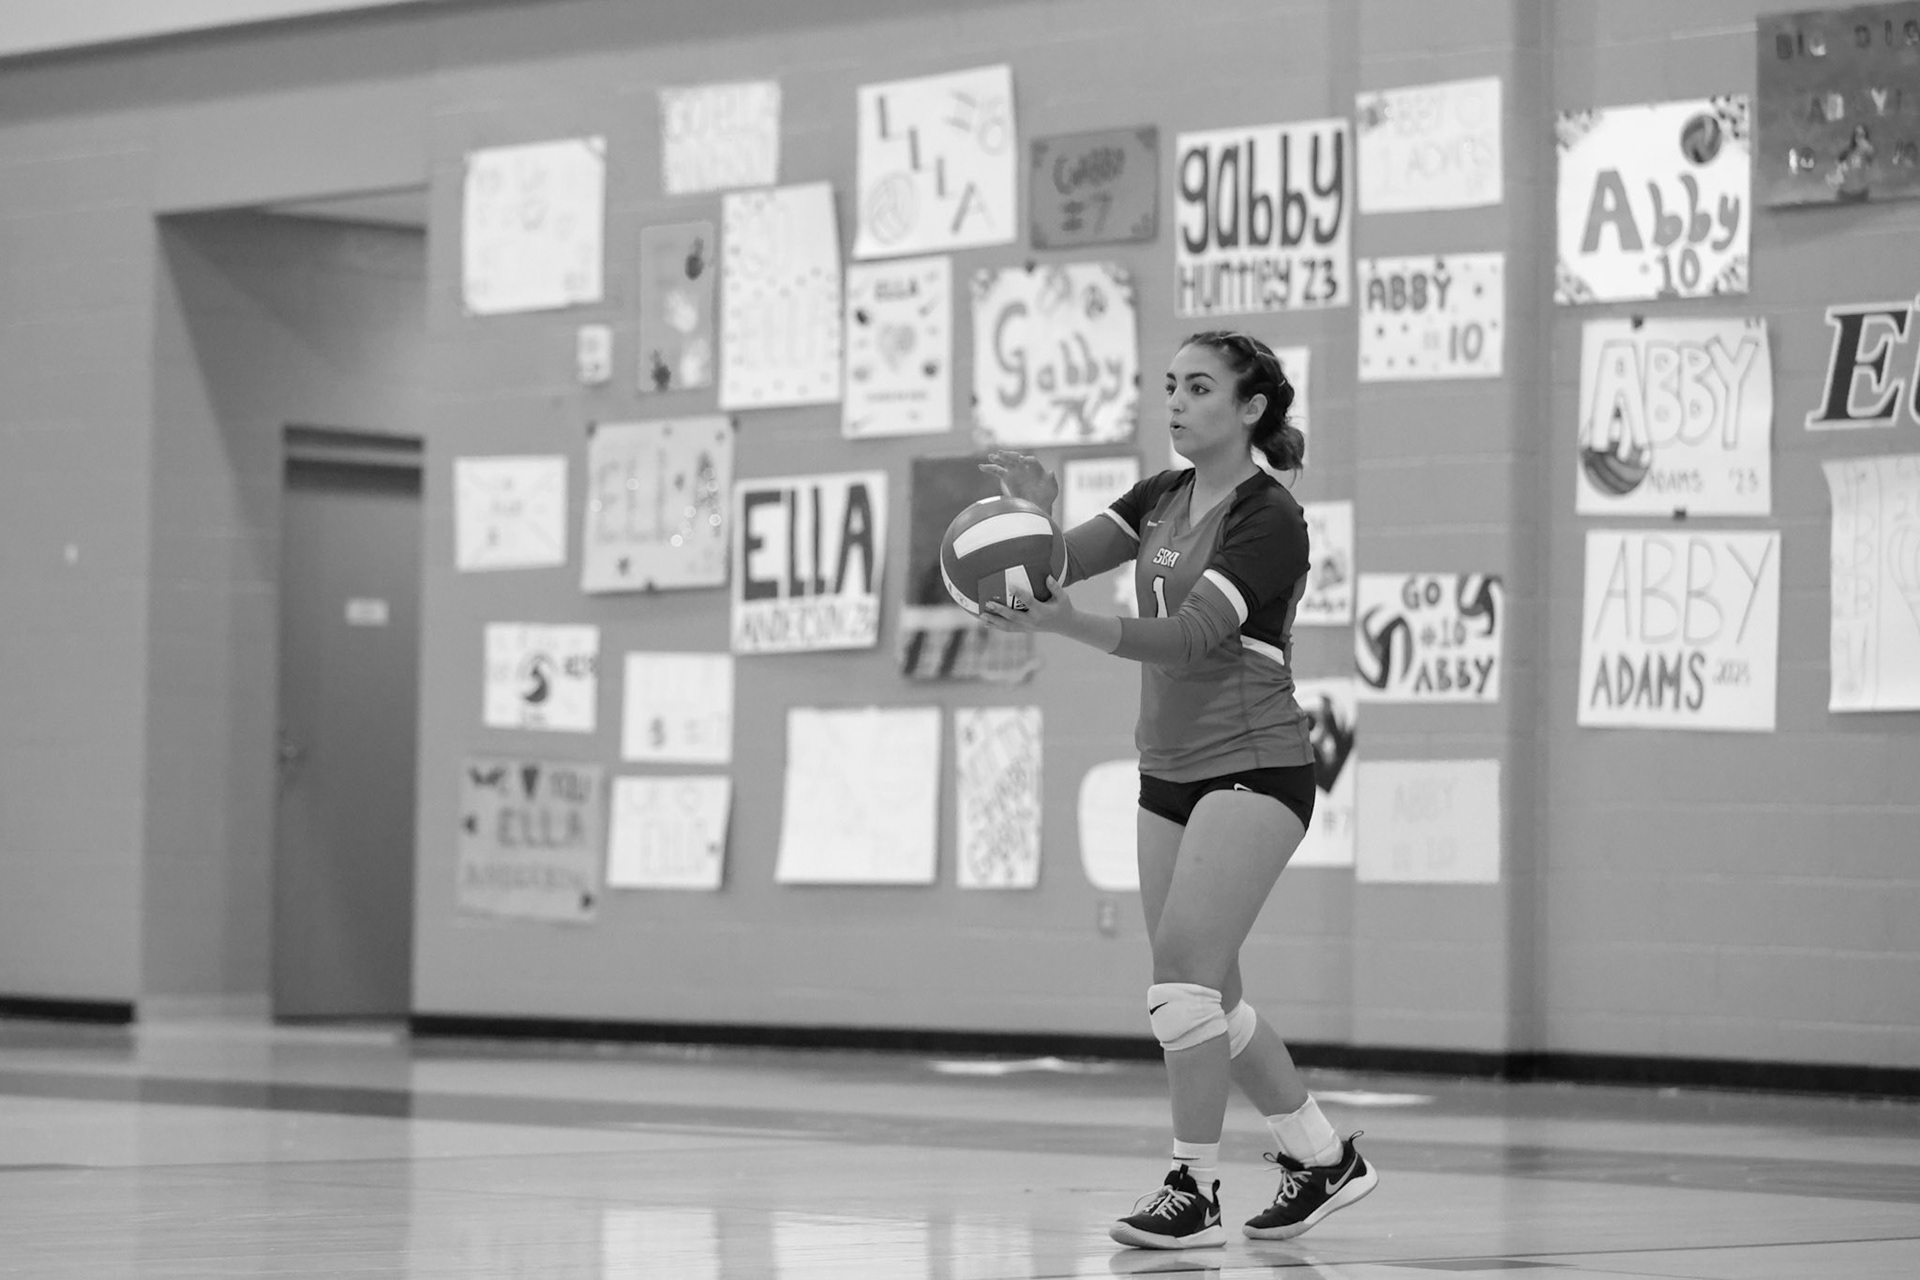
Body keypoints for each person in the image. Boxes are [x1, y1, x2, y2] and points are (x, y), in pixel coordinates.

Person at [979, 331, 1377, 1250]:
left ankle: (1193, 1188)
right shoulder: (1159, 495)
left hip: (1255, 760)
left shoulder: (1269, 517)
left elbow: (1195, 637)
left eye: (1200, 388)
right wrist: (1030, 522)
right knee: (1210, 1000)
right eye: (1170, 386)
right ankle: (1323, 1159)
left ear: (1250, 408)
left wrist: (1070, 626)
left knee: (1180, 987)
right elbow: (1056, 565)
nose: (1177, 402)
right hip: (1168, 768)